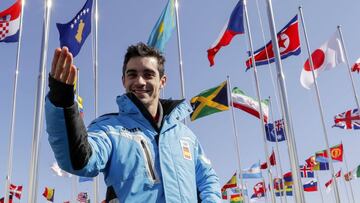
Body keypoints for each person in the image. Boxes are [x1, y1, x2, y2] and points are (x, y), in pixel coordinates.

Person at [45, 42, 221, 203]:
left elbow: (207, 180)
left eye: (148, 74)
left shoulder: (186, 135)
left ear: (162, 81)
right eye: (132, 74)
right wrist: (62, 102)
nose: (140, 81)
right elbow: (79, 160)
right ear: (124, 81)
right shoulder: (109, 129)